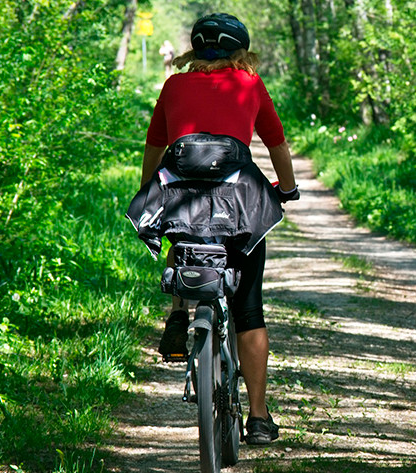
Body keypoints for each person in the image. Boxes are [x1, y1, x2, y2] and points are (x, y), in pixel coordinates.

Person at [134, 13, 299, 445]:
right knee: (249, 310)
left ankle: (177, 313)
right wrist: (290, 188)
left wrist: (149, 189)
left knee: (180, 228)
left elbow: (155, 147)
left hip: (181, 193)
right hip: (239, 201)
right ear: (240, 51)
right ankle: (259, 418)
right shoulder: (249, 83)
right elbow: (275, 142)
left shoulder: (173, 86)